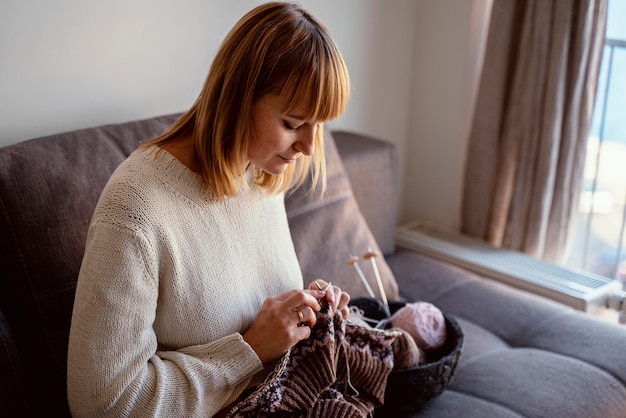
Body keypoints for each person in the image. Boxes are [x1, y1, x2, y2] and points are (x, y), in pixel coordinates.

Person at [67, 2, 351, 417]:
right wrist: (249, 350)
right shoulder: (135, 209)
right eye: (293, 123)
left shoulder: (262, 174)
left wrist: (304, 317)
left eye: (318, 124)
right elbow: (102, 404)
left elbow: (244, 301)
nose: (309, 146)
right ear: (238, 98)